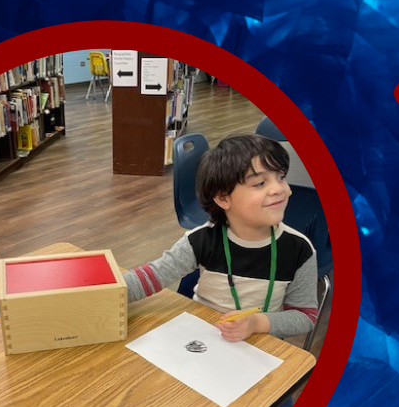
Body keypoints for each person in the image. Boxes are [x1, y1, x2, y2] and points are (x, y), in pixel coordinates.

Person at [124, 133, 318, 342]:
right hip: (203, 338)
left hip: (261, 344)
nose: (280, 189)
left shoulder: (300, 250)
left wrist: (257, 323)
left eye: (280, 177)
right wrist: (105, 293)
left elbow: (305, 316)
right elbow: (151, 277)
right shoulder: (201, 240)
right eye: (260, 183)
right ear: (224, 198)